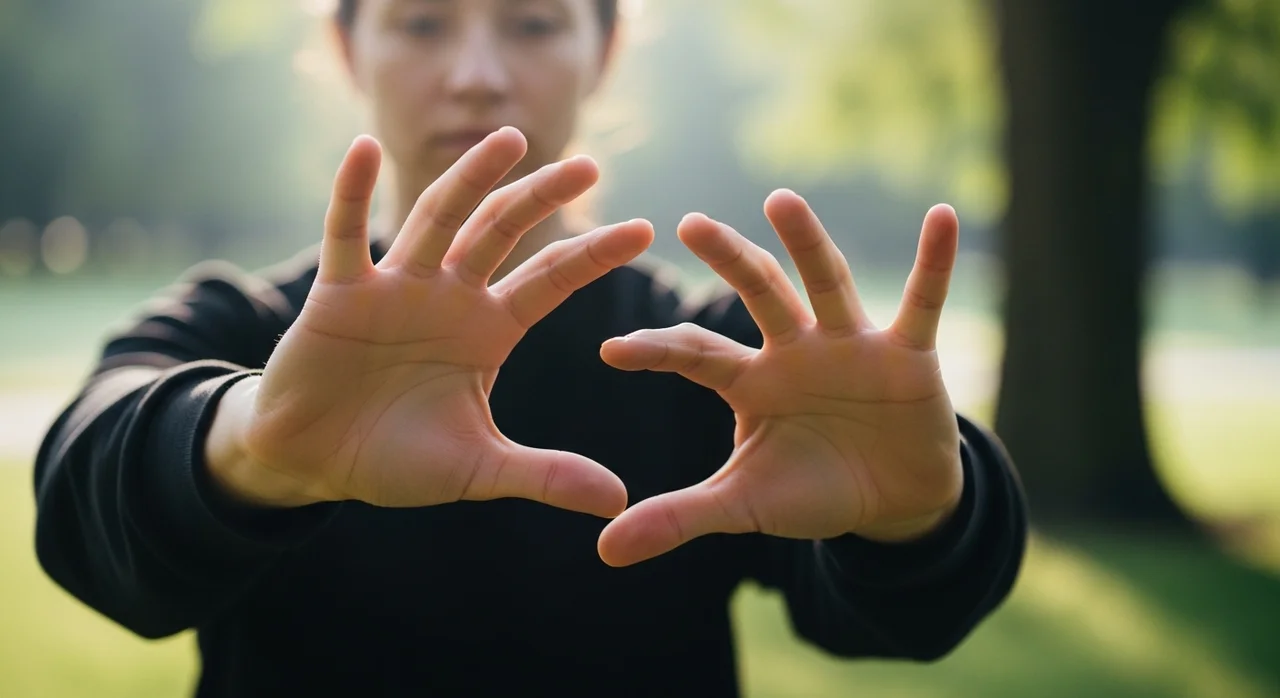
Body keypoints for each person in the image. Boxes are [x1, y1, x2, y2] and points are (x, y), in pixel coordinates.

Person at [32, 1, 1027, 696]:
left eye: (534, 21)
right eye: (421, 21)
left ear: (602, 52)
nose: (477, 75)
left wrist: (926, 511)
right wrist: (252, 442)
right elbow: (89, 508)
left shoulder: (720, 362)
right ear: (345, 51)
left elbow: (897, 616)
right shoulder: (242, 332)